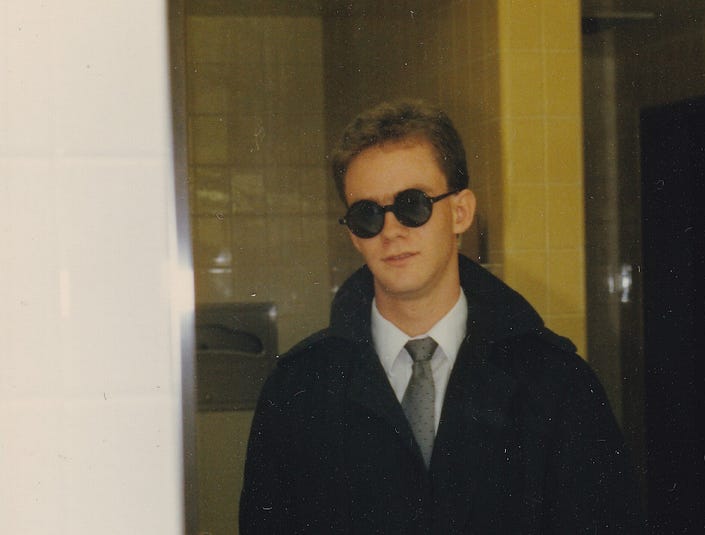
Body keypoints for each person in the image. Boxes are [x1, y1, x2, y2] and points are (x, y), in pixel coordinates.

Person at [239, 99, 642, 533]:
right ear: (354, 235)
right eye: (367, 214)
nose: (391, 231)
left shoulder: (556, 384)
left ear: (460, 211)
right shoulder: (298, 390)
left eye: (413, 204)